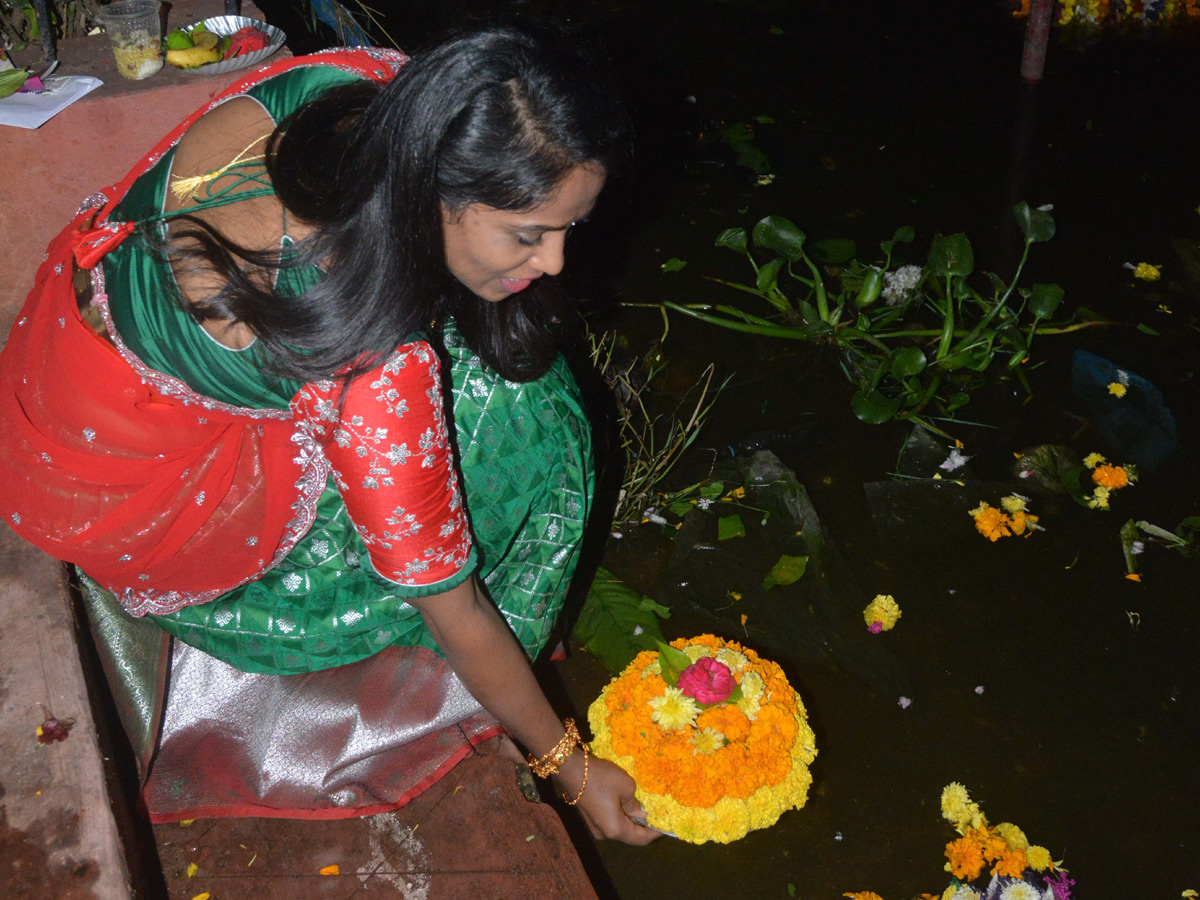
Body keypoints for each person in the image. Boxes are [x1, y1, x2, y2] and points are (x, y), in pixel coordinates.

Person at [0, 23, 657, 845]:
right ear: (433, 191)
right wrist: (570, 763)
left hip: (54, 374)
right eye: (528, 235)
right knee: (529, 422)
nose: (556, 261)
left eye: (568, 228)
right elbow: (452, 602)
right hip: (148, 508)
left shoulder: (359, 83)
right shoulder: (369, 368)